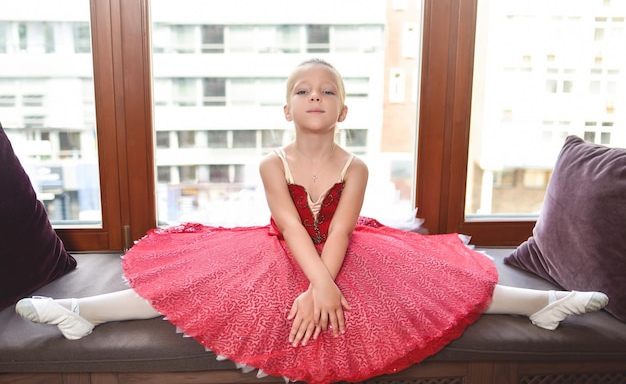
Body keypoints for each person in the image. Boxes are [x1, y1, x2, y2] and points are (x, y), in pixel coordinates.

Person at [16, 59, 608, 384]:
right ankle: (80, 313)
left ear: (343, 109)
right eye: (304, 90)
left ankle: (540, 305)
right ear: (289, 108)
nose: (316, 96)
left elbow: (343, 231)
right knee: (192, 285)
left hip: (349, 249)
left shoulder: (357, 166)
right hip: (282, 247)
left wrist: (328, 282)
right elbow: (291, 225)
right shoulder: (272, 161)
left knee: (430, 284)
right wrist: (318, 283)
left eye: (328, 90)